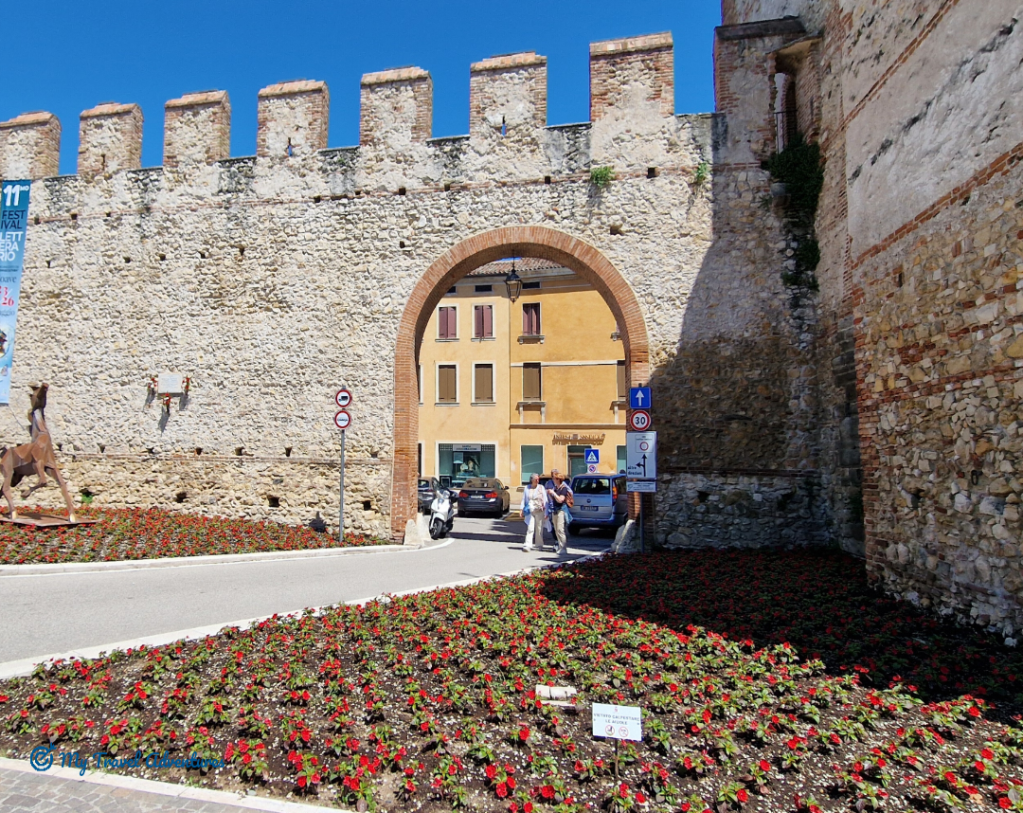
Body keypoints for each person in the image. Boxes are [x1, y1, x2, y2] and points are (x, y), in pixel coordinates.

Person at [545, 469, 574, 555]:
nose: (553, 479)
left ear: (558, 479)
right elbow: (553, 499)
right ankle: (560, 547)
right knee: (556, 530)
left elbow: (561, 499)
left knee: (560, 530)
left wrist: (553, 493)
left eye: (554, 478)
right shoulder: (556, 488)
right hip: (554, 510)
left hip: (561, 510)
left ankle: (563, 548)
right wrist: (550, 494)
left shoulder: (563, 488)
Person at [520, 473, 549, 551]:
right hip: (530, 510)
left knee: (539, 528)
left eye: (538, 479)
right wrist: (521, 509)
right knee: (530, 528)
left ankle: (539, 544)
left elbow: (545, 500)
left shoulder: (541, 487)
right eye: (536, 479)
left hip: (540, 510)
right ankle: (527, 544)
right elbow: (523, 499)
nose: (537, 480)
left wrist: (546, 512)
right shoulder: (527, 488)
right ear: (532, 480)